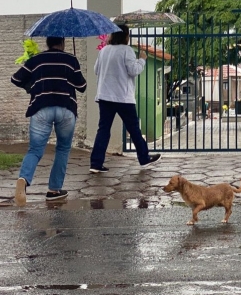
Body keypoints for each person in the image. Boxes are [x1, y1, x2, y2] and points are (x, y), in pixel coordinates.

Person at [11, 36, 87, 206]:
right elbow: (82, 87)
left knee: (35, 150)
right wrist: (72, 70)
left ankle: (23, 179)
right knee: (63, 148)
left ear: (47, 43)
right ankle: (54, 190)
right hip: (66, 109)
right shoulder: (70, 60)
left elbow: (16, 79)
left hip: (41, 108)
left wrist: (33, 87)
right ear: (63, 42)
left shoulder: (36, 60)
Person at [89, 24, 161, 173]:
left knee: (103, 129)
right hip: (123, 97)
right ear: (126, 36)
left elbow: (96, 70)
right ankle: (143, 158)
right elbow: (133, 71)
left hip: (104, 96)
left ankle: (96, 163)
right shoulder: (126, 50)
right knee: (133, 129)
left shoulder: (103, 51)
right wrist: (142, 59)